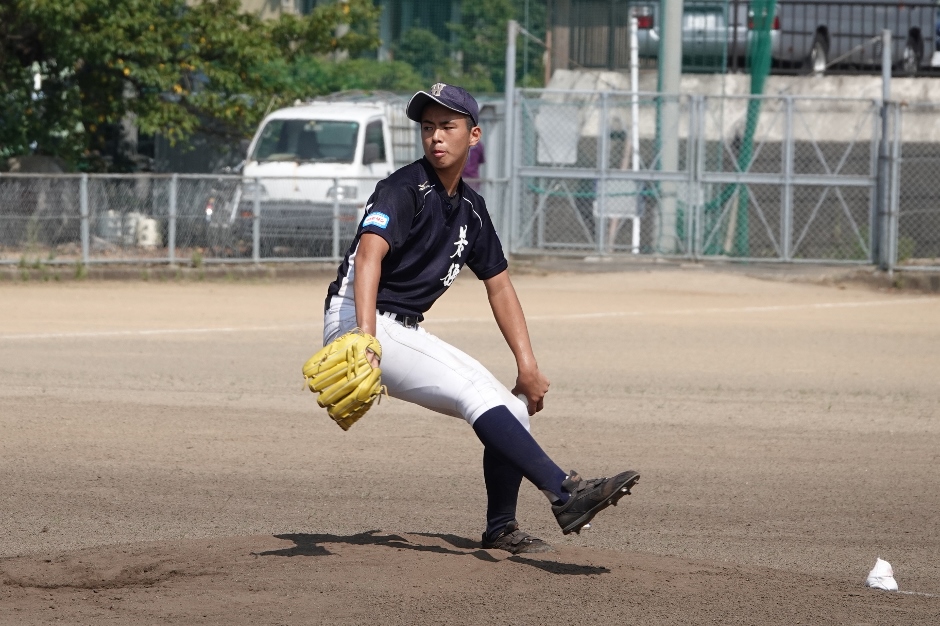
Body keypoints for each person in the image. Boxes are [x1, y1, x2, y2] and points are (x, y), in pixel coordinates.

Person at [322, 83, 640, 554]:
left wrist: (527, 366)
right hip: (358, 319)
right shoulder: (403, 189)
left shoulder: (471, 209)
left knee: (512, 410)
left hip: (396, 327)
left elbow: (500, 285)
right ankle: (566, 493)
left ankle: (501, 526)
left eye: (447, 126)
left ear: (473, 135)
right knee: (475, 392)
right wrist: (365, 340)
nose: (435, 136)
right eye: (427, 127)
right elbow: (369, 257)